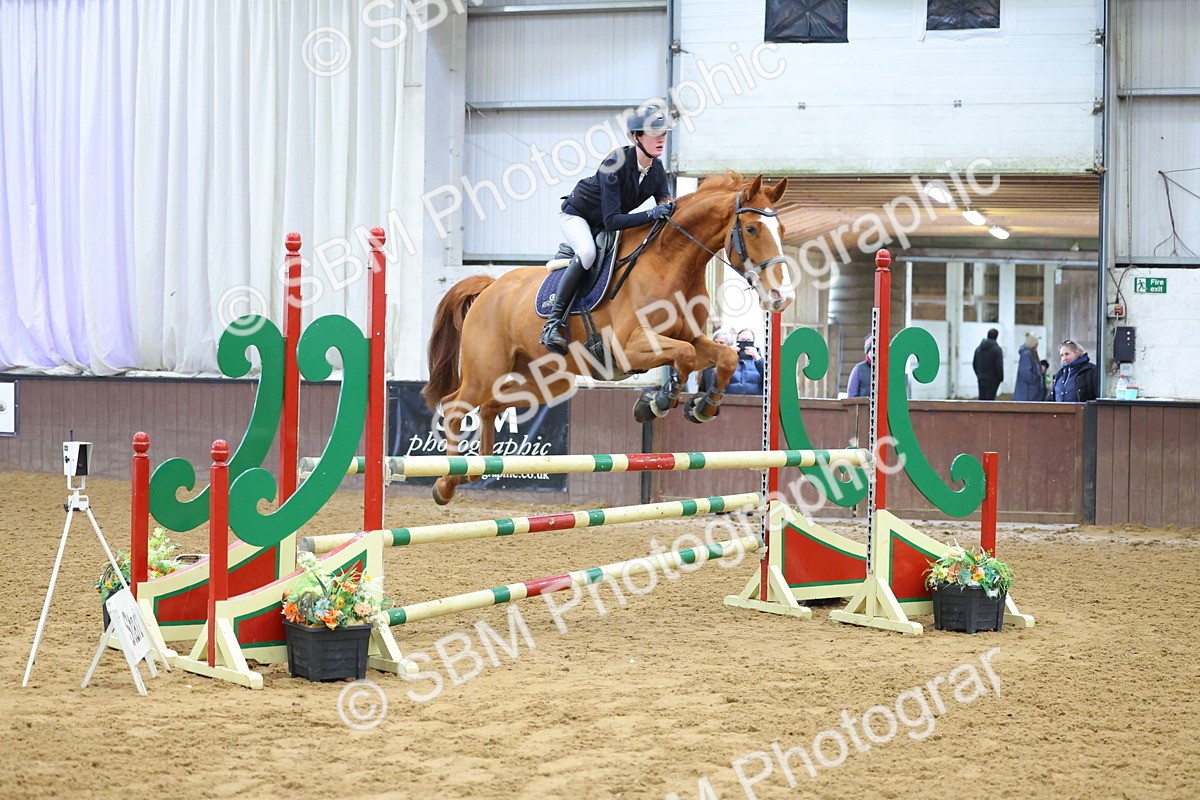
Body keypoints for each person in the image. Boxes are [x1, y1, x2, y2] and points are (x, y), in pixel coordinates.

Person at [540, 106, 675, 354]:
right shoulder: (615, 163)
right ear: (636, 137)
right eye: (654, 133)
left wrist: (670, 211)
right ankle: (553, 324)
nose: (661, 139)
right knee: (588, 253)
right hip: (578, 216)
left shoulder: (656, 170)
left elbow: (665, 205)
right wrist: (651, 214)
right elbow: (613, 220)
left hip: (606, 222)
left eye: (664, 134)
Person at [725, 329, 765, 395]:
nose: (745, 342)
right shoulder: (730, 359)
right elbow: (716, 378)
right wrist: (728, 357)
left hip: (755, 402)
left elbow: (769, 380)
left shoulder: (760, 361)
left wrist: (758, 359)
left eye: (748, 340)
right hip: (729, 401)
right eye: (742, 340)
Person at [972, 328, 1004, 400]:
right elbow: (999, 366)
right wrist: (1000, 378)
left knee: (982, 400)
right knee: (990, 402)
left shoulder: (978, 349)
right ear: (996, 337)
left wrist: (979, 375)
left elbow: (974, 364)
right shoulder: (997, 350)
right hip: (993, 380)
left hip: (981, 379)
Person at [1013, 333, 1045, 401]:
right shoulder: (1027, 355)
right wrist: (1036, 378)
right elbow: (1026, 374)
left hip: (1030, 393)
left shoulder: (1030, 354)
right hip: (1028, 394)